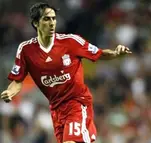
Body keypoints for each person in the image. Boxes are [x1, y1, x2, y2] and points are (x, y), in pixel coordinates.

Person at [0, 2, 131, 143]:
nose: (51, 23)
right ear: (36, 23)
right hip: (56, 110)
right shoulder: (26, 50)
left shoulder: (71, 42)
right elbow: (17, 81)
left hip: (76, 103)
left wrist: (115, 53)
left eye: (53, 19)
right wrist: (10, 92)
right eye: (46, 19)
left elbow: (99, 54)